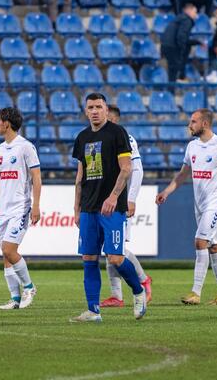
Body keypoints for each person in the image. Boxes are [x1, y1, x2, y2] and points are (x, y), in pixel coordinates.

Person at [70, 93, 146, 322]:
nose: (94, 111)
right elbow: (80, 176)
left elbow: (127, 168)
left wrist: (113, 197)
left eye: (98, 107)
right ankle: (93, 311)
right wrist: (76, 208)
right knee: (89, 258)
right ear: (86, 111)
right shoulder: (82, 137)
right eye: (90, 107)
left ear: (105, 109)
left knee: (115, 258)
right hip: (88, 207)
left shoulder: (117, 133)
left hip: (112, 208)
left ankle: (138, 291)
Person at [156, 109, 217, 305]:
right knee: (215, 247)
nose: (190, 125)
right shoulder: (192, 146)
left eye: (193, 121)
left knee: (200, 241)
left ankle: (196, 292)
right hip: (200, 205)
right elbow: (183, 174)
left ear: (205, 123)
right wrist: (166, 192)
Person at [0, 107, 40, 310]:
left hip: (20, 207)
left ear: (6, 124)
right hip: (4, 209)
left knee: (9, 249)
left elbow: (36, 177)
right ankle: (15, 299)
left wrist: (36, 205)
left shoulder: (26, 147)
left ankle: (29, 287)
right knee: (5, 255)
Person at [100, 105, 153, 308]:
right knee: (109, 249)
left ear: (113, 119)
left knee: (117, 249)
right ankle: (117, 296)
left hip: (120, 202)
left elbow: (137, 170)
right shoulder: (100, 139)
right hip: (104, 202)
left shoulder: (126, 139)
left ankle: (143, 280)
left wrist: (131, 198)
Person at [160, 3, 201, 85]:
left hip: (166, 45)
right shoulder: (187, 20)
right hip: (173, 47)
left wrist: (197, 42)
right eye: (195, 12)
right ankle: (174, 86)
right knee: (174, 70)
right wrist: (182, 51)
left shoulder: (178, 19)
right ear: (188, 11)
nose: (196, 15)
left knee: (172, 70)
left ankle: (174, 84)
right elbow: (181, 36)